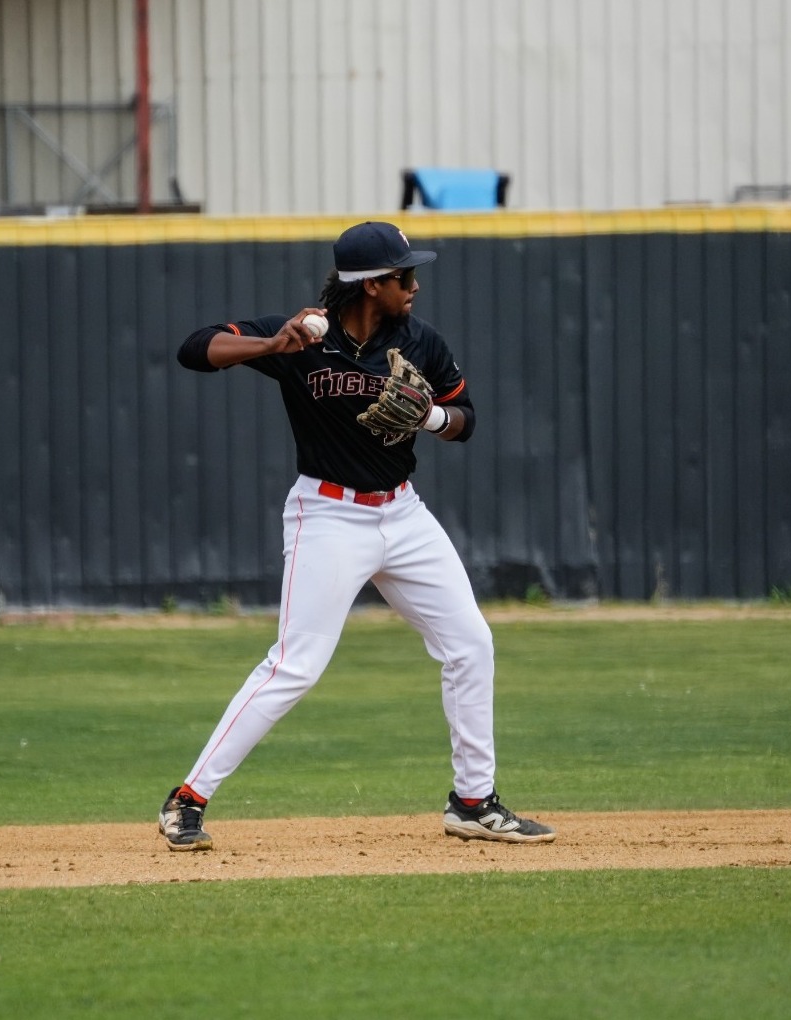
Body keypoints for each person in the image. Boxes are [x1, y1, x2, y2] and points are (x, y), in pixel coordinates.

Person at [159, 221, 554, 851]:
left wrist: (433, 417)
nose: (415, 285)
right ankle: (188, 800)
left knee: (471, 644)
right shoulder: (303, 337)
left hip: (403, 514)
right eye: (404, 276)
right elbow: (193, 348)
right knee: (296, 664)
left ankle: (474, 802)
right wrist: (270, 348)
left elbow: (466, 419)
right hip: (328, 515)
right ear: (372, 286)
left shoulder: (420, 341)